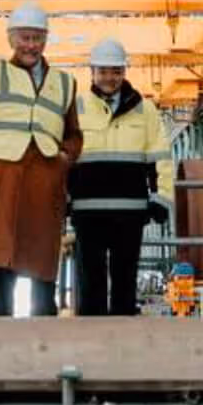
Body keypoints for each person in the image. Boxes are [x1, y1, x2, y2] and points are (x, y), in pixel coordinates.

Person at [0, 0, 81, 316]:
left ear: (45, 41)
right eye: (24, 38)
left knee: (41, 260)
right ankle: (0, 336)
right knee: (1, 259)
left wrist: (65, 159)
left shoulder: (66, 83)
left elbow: (73, 134)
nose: (31, 45)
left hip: (43, 178)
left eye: (37, 38)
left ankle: (44, 338)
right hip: (3, 176)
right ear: (12, 39)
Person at [67, 37, 174, 316]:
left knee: (125, 280)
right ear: (92, 72)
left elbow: (159, 156)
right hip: (88, 212)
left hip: (130, 211)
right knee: (91, 282)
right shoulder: (76, 108)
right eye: (103, 71)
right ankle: (93, 343)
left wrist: (162, 198)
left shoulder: (145, 109)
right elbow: (64, 158)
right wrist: (64, 198)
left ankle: (123, 346)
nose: (109, 78)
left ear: (124, 72)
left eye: (116, 71)